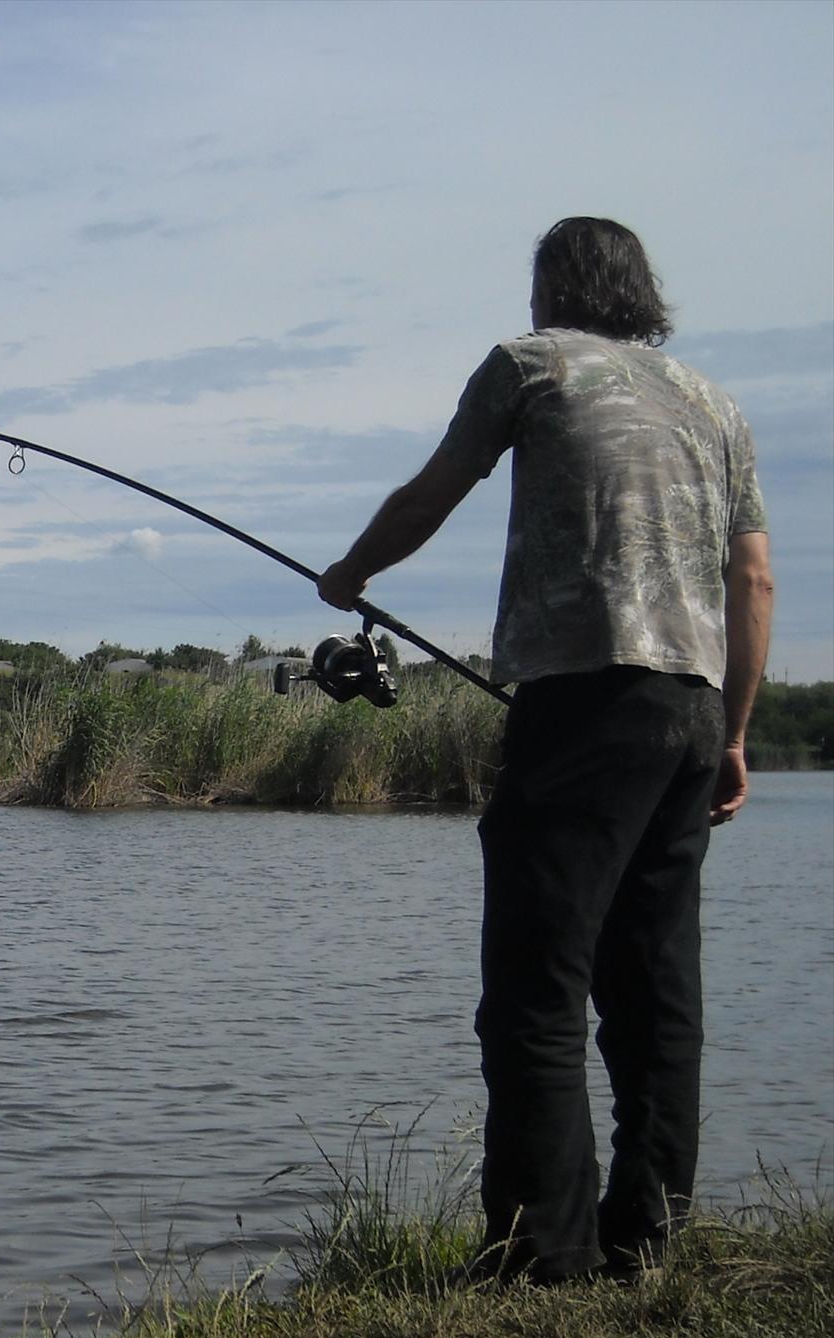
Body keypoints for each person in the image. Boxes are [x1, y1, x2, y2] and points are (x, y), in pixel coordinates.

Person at [317, 217, 775, 1284]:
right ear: (641, 291)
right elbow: (753, 581)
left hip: (583, 701)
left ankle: (541, 1260)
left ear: (550, 290)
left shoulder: (527, 366)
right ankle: (648, 1240)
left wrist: (352, 572)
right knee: (657, 989)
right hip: (693, 710)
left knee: (537, 984)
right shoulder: (716, 404)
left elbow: (434, 492)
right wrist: (737, 737)